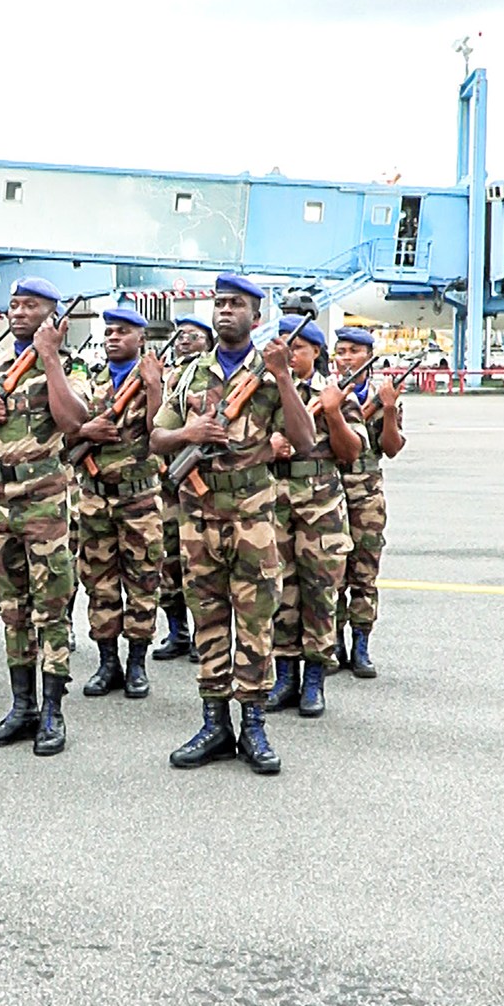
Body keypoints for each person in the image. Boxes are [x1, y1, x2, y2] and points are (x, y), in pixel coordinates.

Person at [149, 275, 312, 775]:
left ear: (255, 318)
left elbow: (303, 441)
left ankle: (255, 725)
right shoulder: (188, 373)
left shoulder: (268, 375)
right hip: (199, 520)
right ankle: (215, 723)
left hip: (253, 520)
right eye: (219, 303)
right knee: (209, 621)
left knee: (257, 622)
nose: (224, 311)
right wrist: (187, 433)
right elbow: (156, 436)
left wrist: (283, 377)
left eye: (235, 304)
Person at [0, 277, 89, 757]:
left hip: (45, 502)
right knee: (13, 609)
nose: (21, 312)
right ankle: (22, 705)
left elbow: (73, 421)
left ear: (53, 316)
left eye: (33, 306)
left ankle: (53, 710)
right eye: (15, 305)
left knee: (50, 611)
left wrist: (49, 357)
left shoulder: (68, 365)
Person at [267, 318, 363, 718]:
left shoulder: (333, 392)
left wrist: (336, 413)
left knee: (320, 592)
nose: (291, 355)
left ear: (316, 353)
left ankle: (314, 681)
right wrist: (266, 444)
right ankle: (285, 675)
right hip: (274, 502)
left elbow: (352, 452)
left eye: (299, 348)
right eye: (286, 347)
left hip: (320, 504)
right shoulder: (266, 390)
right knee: (281, 592)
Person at [72, 306, 163, 700]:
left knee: (142, 581)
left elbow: (163, 431)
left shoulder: (157, 380)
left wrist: (156, 386)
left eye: (122, 332)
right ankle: (107, 661)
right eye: (108, 331)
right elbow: (67, 432)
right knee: (99, 582)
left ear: (140, 338)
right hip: (95, 499)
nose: (113, 338)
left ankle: (137, 662)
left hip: (139, 498)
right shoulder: (88, 381)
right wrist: (85, 430)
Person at [332, 326, 403, 676]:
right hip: (328, 492)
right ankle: (333, 645)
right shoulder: (325, 393)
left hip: (366, 495)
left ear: (369, 358)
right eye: (341, 351)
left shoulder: (381, 394)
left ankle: (361, 646)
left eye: (354, 352)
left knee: (363, 574)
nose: (346, 358)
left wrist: (388, 411)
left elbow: (391, 448)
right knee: (330, 575)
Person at [152, 314, 211, 662]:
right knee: (168, 560)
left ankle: (204, 634)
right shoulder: (170, 376)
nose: (184, 340)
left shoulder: (206, 377)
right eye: (180, 336)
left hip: (198, 481)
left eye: (193, 335)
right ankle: (177, 631)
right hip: (168, 481)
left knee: (197, 564)